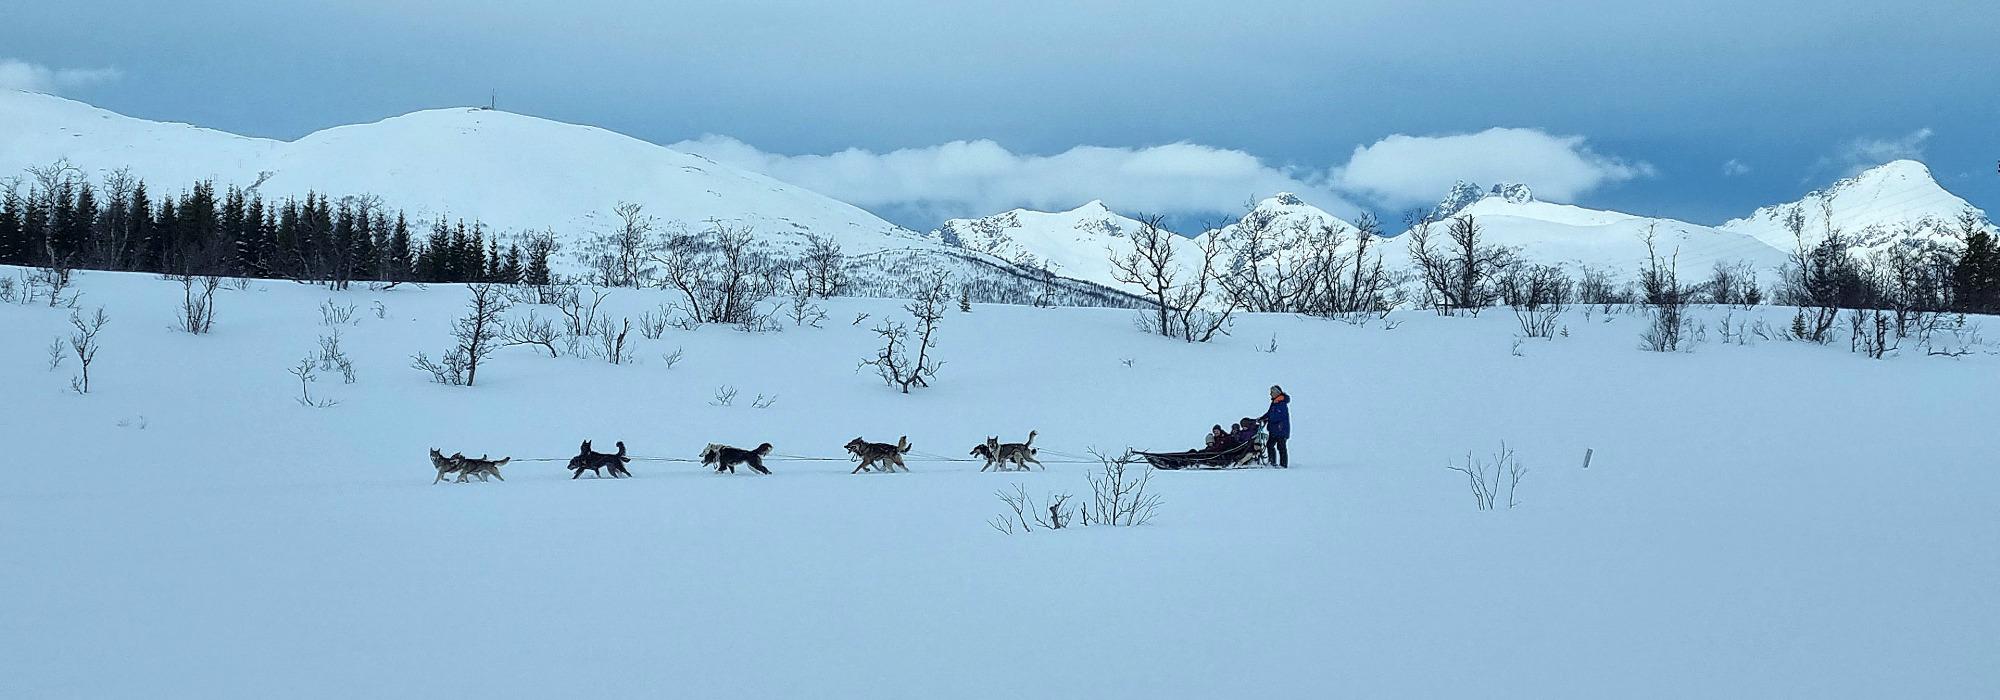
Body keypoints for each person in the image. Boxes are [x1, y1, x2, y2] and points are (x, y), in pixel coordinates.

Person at [1260, 385, 1290, 468]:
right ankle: (1272, 462)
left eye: (1272, 392)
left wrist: (1268, 418)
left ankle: (1283, 464)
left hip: (1281, 429)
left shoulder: (1281, 403)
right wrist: (1262, 418)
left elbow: (1278, 416)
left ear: (1277, 393)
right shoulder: (1275, 403)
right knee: (1270, 445)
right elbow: (1269, 413)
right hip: (1274, 429)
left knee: (1281, 447)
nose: (1270, 394)